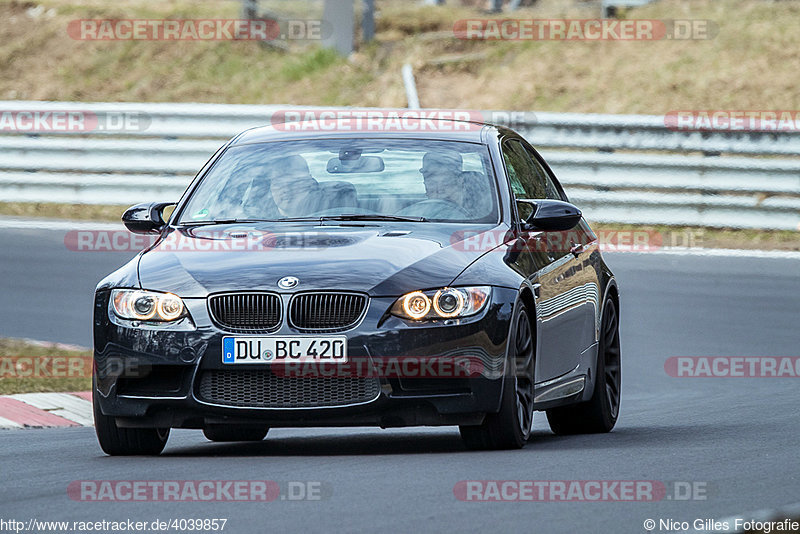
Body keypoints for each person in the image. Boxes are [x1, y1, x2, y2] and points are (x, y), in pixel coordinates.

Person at [397, 150, 471, 219]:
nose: (439, 189)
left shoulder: (478, 213)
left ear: (460, 181)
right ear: (424, 184)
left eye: (447, 183)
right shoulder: (410, 214)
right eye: (432, 183)